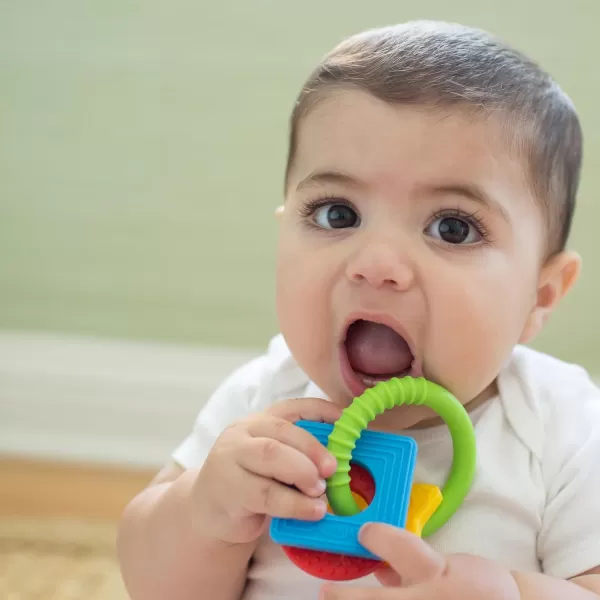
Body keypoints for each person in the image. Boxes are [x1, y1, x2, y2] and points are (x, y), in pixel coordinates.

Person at [117, 21, 600, 600]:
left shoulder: (565, 429)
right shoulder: (266, 402)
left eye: (452, 227)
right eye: (336, 214)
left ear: (540, 295)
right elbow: (153, 585)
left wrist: (514, 593)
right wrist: (203, 512)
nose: (376, 263)